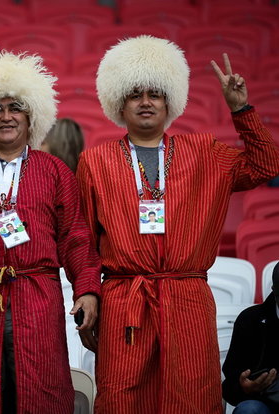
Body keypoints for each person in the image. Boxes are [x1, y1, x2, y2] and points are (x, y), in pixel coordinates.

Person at [75, 35, 279, 414]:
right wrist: (88, 293)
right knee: (121, 398)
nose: (146, 101)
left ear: (170, 99)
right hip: (125, 298)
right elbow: (85, 239)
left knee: (190, 399)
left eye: (155, 93)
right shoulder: (95, 161)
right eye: (135, 94)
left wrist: (242, 111)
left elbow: (267, 166)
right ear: (120, 100)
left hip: (187, 297)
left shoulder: (205, 151)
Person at [0, 48, 102, 414]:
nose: (6, 116)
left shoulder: (55, 171)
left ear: (32, 117)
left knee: (39, 394)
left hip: (38, 300)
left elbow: (76, 237)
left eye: (16, 108)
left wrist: (88, 290)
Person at [222, 262, 279, 414]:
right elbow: (230, 382)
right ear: (274, 290)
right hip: (264, 402)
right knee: (249, 410)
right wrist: (245, 386)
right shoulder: (250, 320)